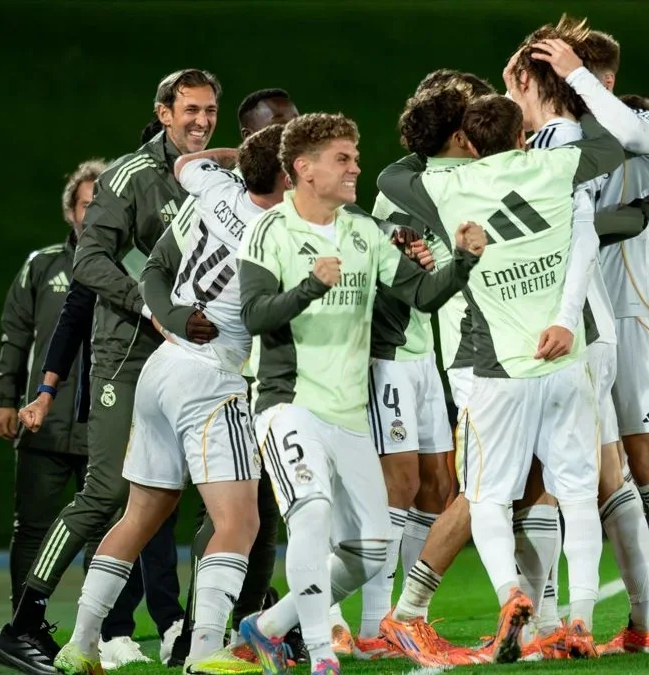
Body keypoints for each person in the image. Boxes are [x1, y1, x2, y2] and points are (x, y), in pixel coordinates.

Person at [376, 94, 634, 663]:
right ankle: (580, 621)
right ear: (523, 133)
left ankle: (509, 595)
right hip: (565, 361)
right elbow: (613, 145)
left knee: (486, 496)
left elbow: (392, 176)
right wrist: (574, 88)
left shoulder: (446, 190)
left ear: (469, 139)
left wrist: (440, 142)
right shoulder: (553, 167)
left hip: (494, 367)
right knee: (576, 496)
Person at [233, 112, 484, 675]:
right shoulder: (270, 231)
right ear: (304, 169)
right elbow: (253, 315)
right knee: (312, 511)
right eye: (342, 158)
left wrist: (463, 261)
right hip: (287, 403)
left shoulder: (363, 231)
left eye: (355, 155)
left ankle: (269, 628)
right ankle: (322, 654)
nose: (355, 167)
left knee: (370, 550)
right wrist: (308, 286)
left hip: (348, 413)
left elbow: (421, 295)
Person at [0, 68, 220, 675]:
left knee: (201, 494)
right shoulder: (129, 177)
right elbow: (89, 262)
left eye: (209, 112)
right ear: (164, 112)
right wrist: (150, 307)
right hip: (128, 352)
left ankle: (194, 634)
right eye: (190, 109)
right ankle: (24, 624)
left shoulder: (212, 178)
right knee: (108, 491)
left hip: (192, 352)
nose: (201, 121)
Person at [533, 27, 649, 649]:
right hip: (576, 324)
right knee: (575, 472)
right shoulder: (566, 140)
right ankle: (579, 616)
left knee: (644, 462)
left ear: (599, 79)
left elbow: (636, 144)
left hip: (632, 320)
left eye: (571, 77)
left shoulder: (644, 129)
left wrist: (576, 73)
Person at [326, 75, 493, 660]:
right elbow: (396, 268)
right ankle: (369, 626)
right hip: (391, 349)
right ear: (456, 130)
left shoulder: (440, 178)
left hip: (427, 351)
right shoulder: (406, 184)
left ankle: (399, 619)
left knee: (437, 487)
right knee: (396, 484)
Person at [171, 88, 303, 669]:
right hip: (233, 374)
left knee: (259, 515)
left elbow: (186, 166)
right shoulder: (279, 219)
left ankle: (236, 630)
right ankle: (212, 634)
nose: (299, 139)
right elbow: (154, 266)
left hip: (234, 370)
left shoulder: (215, 188)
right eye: (284, 132)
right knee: (238, 515)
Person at [0, 160, 101, 613]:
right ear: (69, 212)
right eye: (84, 204)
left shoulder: (133, 267)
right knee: (32, 529)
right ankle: (23, 625)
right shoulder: (42, 266)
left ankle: (99, 632)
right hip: (46, 424)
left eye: (102, 205)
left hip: (104, 426)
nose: (92, 212)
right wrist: (4, 397)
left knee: (104, 529)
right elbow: (15, 333)